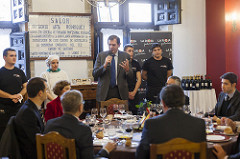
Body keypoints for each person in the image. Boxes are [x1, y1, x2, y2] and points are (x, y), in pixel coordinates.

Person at [136, 85, 206, 159]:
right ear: (183, 101)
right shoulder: (199, 123)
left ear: (162, 102)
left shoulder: (151, 124)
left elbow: (140, 155)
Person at [44, 90, 116, 159]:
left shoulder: (50, 124)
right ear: (80, 107)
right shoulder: (83, 130)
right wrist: (105, 150)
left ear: (62, 106)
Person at [92, 35, 133, 102]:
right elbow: (94, 74)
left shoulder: (125, 56)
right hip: (105, 91)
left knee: (121, 112)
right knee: (104, 112)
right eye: (109, 45)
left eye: (113, 45)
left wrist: (127, 70)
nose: (111, 47)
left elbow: (131, 76)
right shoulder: (101, 56)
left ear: (119, 45)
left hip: (120, 92)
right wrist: (104, 66)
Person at [14, 77, 47, 159]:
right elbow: (37, 140)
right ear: (40, 93)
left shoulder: (31, 107)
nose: (48, 92)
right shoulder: (28, 113)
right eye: (46, 90)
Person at [0, 48, 27, 138]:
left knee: (18, 131)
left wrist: (19, 95)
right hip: (3, 107)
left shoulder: (20, 72)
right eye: (11, 56)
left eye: (15, 55)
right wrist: (10, 96)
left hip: (18, 106)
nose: (14, 58)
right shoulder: (1, 72)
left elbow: (25, 87)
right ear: (5, 57)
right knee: (4, 132)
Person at [124, 44, 141, 115]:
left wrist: (134, 92)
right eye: (129, 51)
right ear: (124, 52)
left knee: (134, 113)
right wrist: (126, 93)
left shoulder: (136, 63)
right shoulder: (121, 63)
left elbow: (139, 79)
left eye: (132, 51)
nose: (131, 53)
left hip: (134, 92)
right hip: (123, 93)